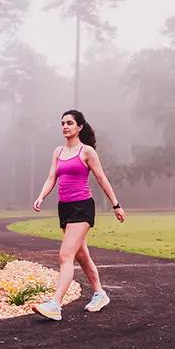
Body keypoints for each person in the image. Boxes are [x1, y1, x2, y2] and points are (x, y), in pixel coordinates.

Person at [31, 109, 125, 321]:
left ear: (79, 127)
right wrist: (41, 196)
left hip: (82, 207)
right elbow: (50, 179)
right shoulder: (58, 151)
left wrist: (116, 205)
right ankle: (100, 294)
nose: (65, 126)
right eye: (63, 123)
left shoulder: (87, 151)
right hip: (64, 208)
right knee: (82, 256)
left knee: (66, 255)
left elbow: (101, 178)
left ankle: (55, 305)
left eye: (70, 123)